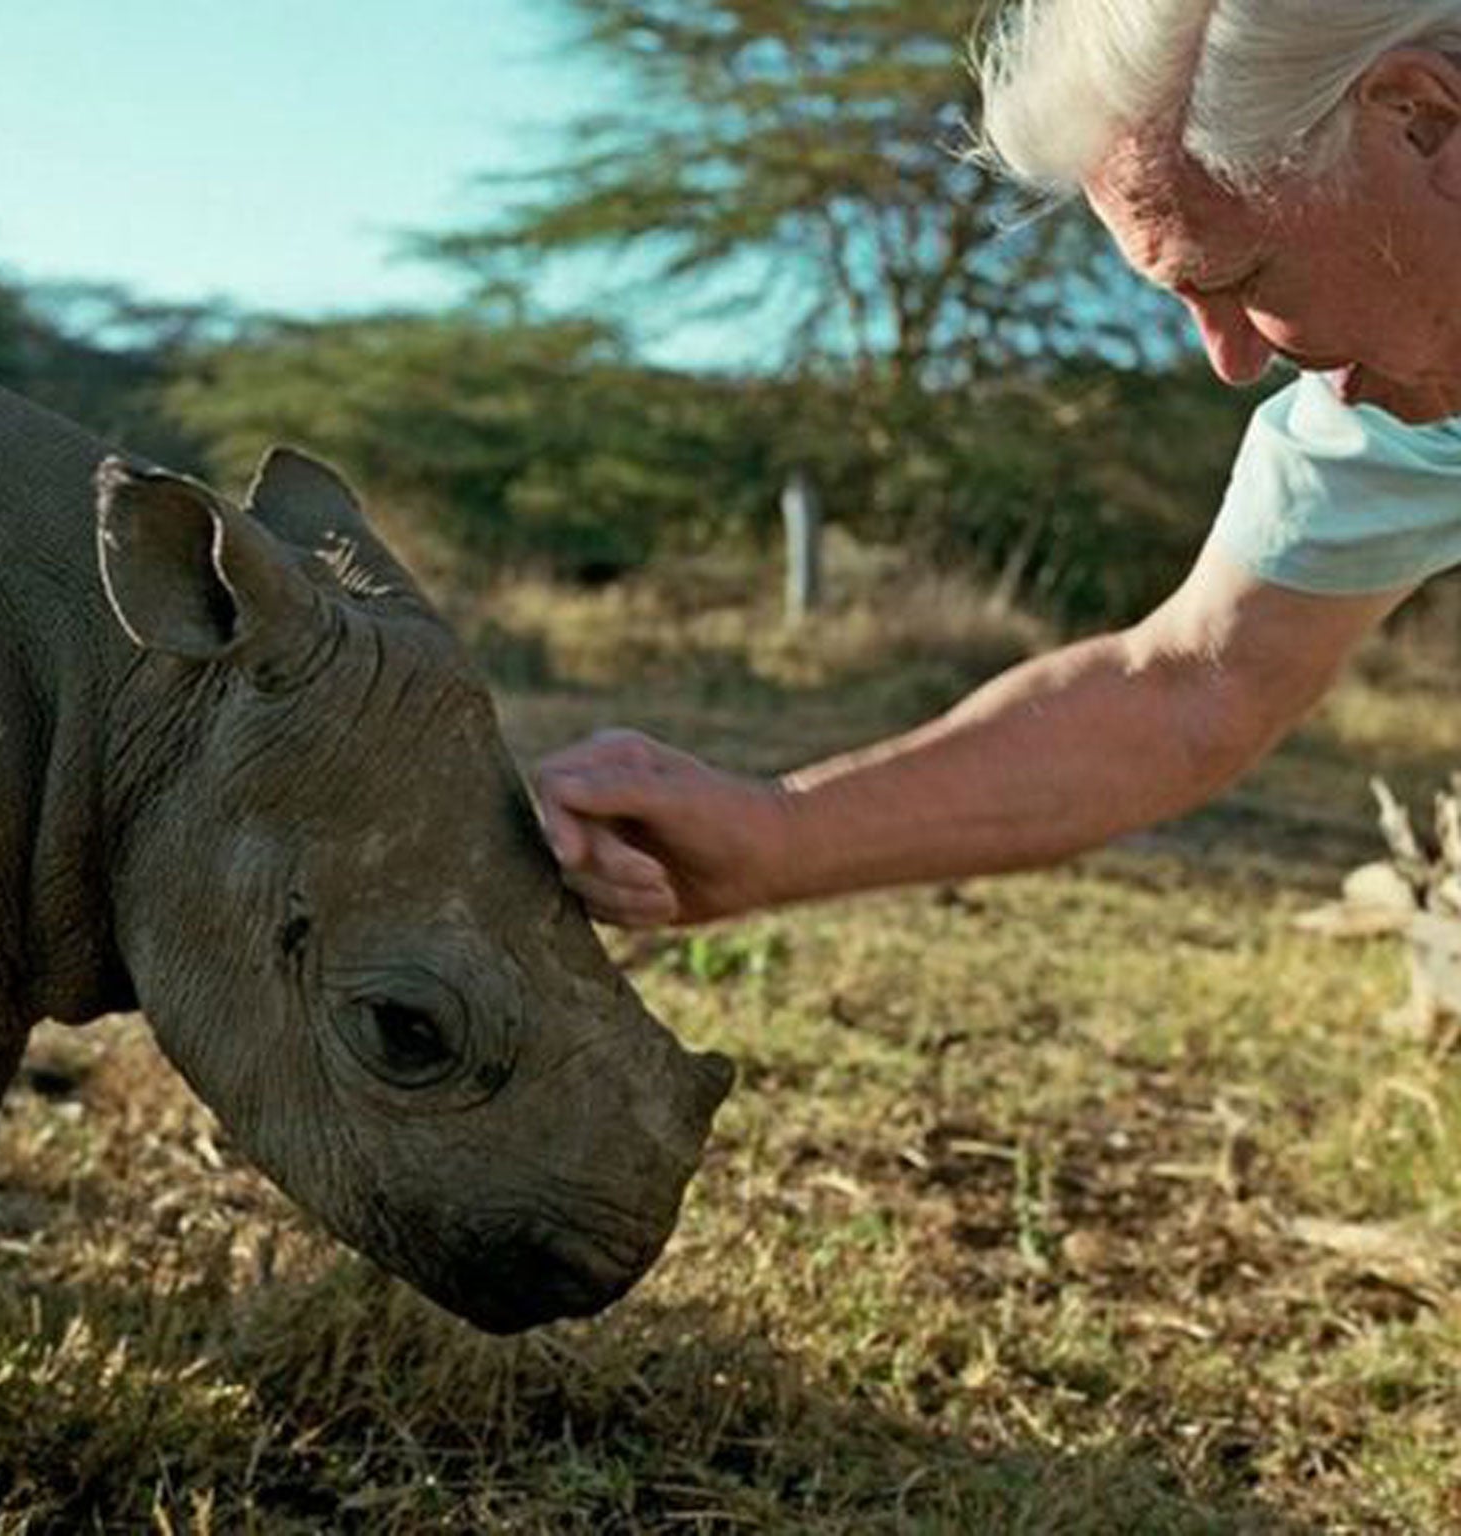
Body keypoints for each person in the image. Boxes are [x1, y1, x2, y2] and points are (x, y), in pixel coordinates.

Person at [535, 0, 1461, 930]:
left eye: (1246, 279)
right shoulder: (1397, 409)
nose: (1233, 361)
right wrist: (770, 838)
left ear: (1421, 120)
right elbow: (1188, 683)